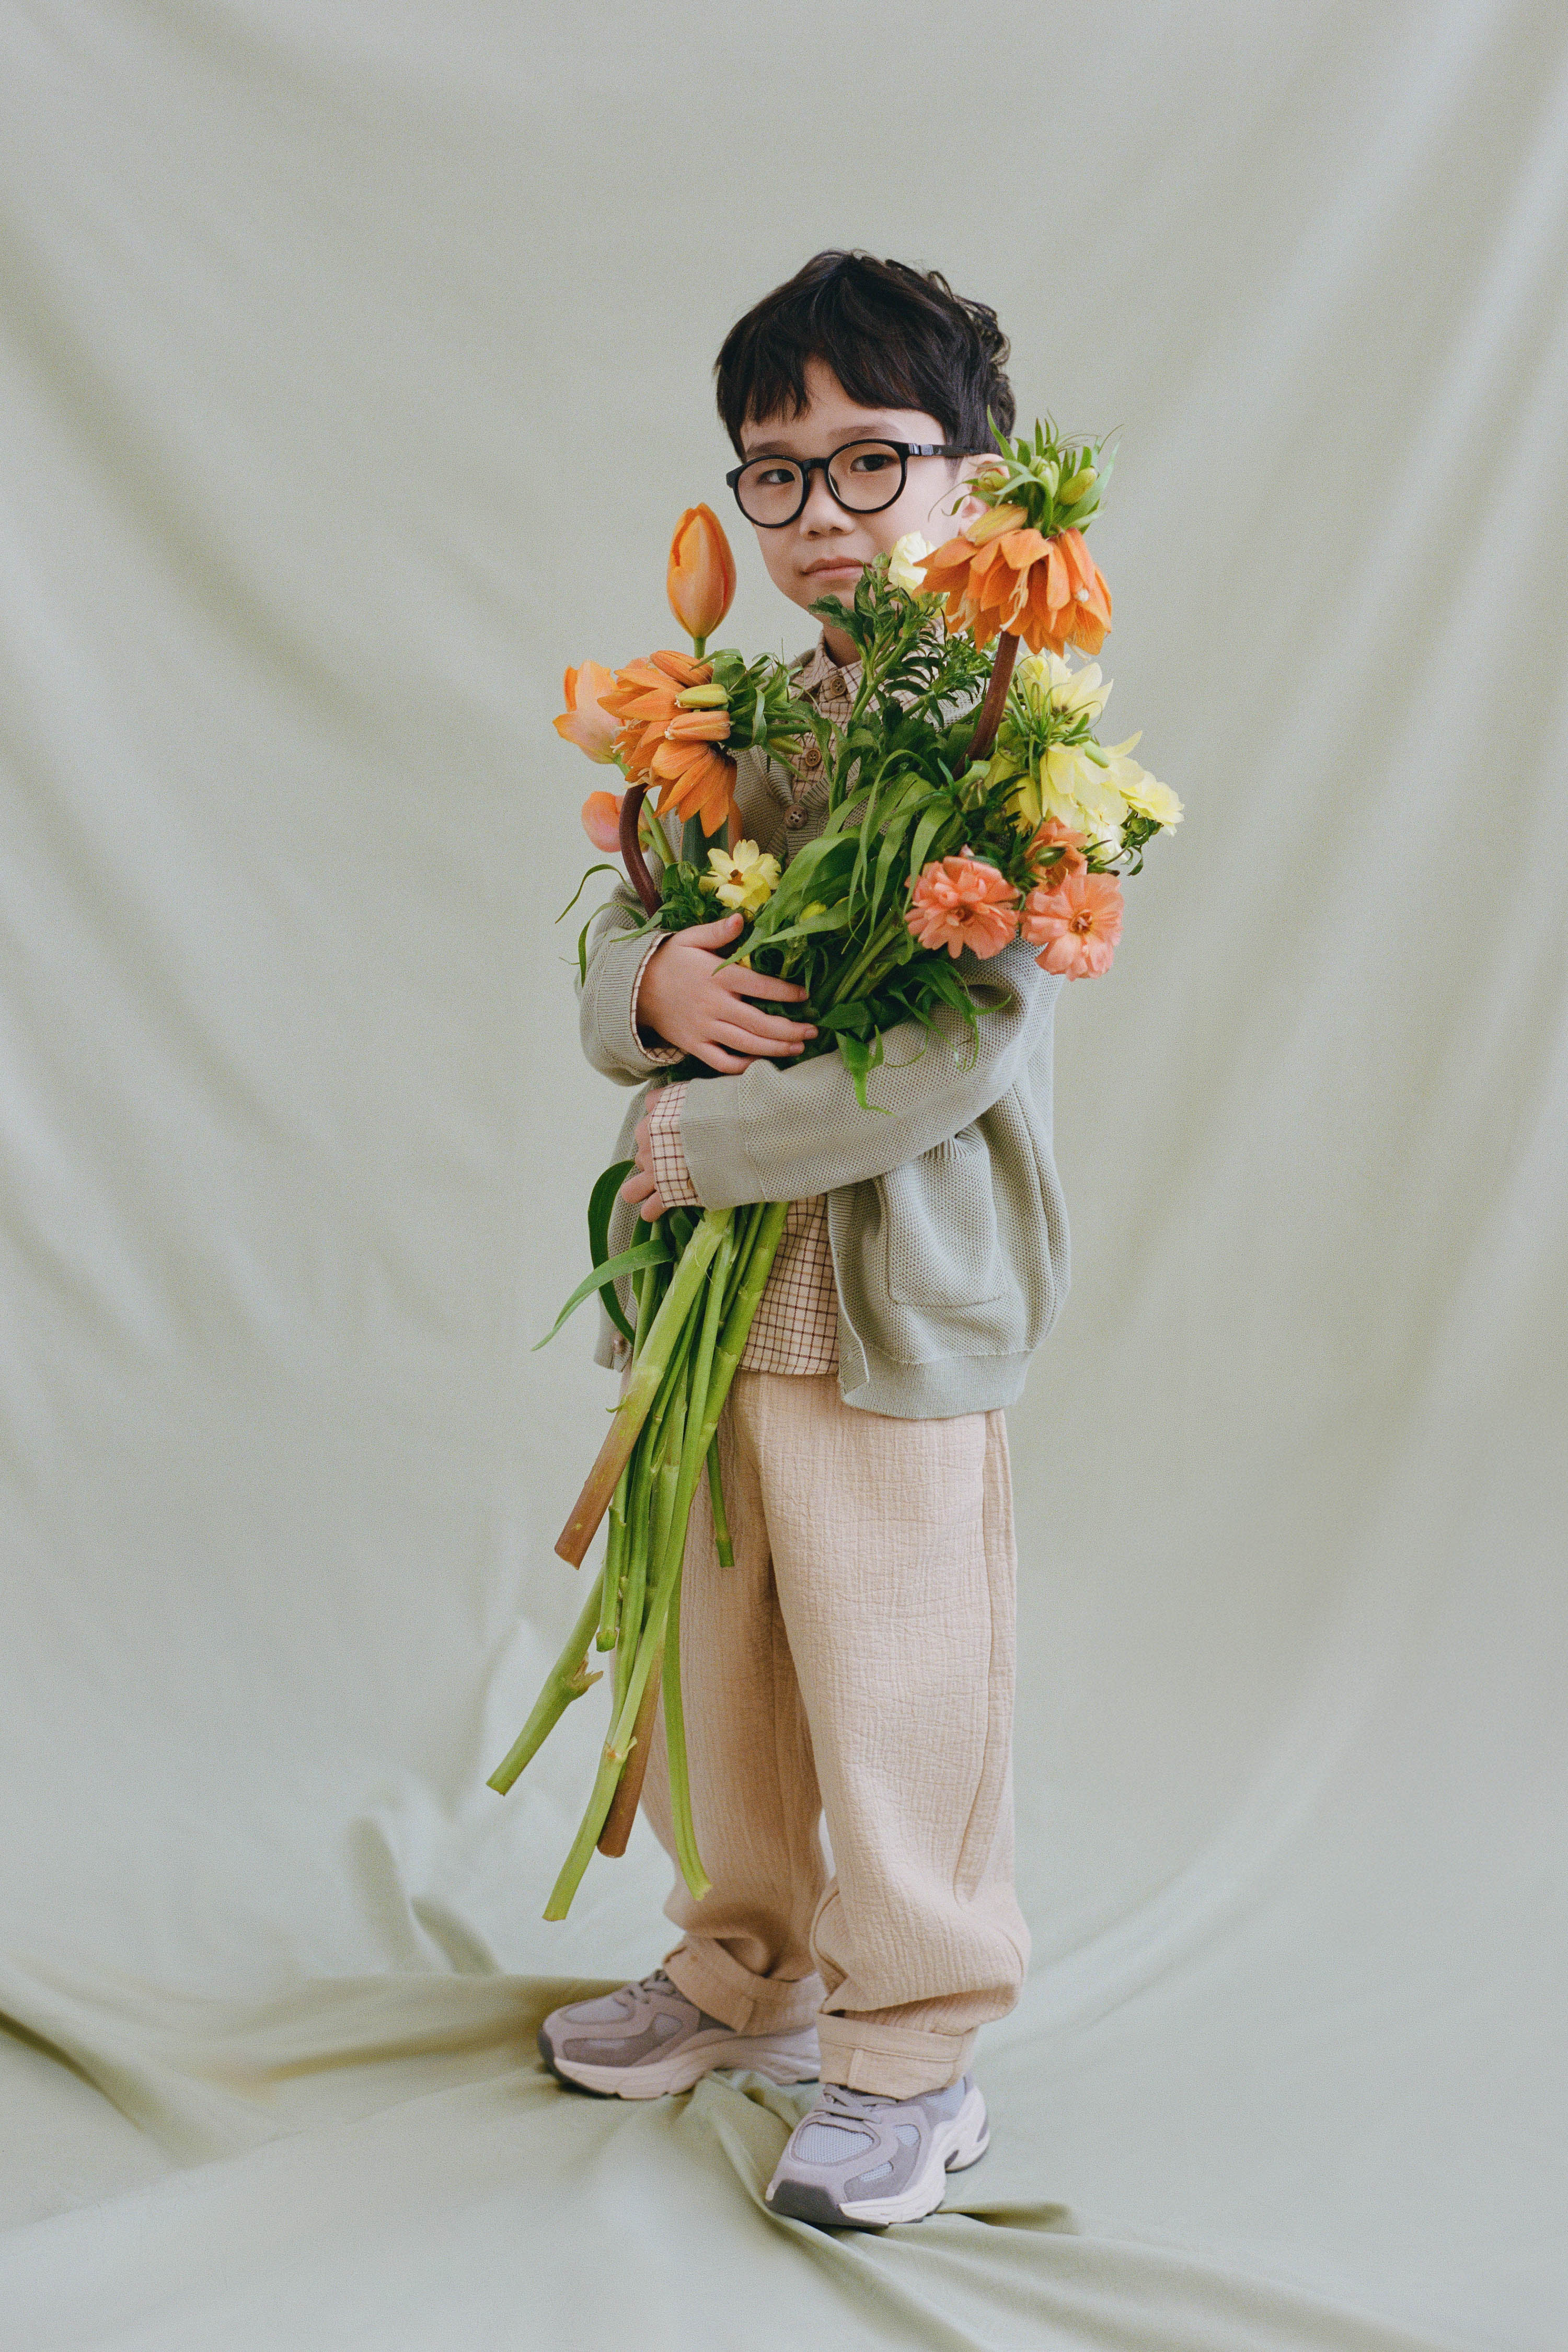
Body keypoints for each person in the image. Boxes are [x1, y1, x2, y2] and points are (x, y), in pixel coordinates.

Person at [539, 251, 1070, 2231]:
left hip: (888, 1296)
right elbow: (635, 906)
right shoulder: (748, 711)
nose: (820, 512)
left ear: (975, 482)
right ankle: (741, 1963)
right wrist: (650, 985)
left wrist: (694, 1136)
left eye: (869, 461)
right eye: (776, 471)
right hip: (719, 1294)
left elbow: (951, 1046)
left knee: (899, 1665)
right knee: (722, 1662)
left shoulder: (1005, 722)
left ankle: (915, 2047)